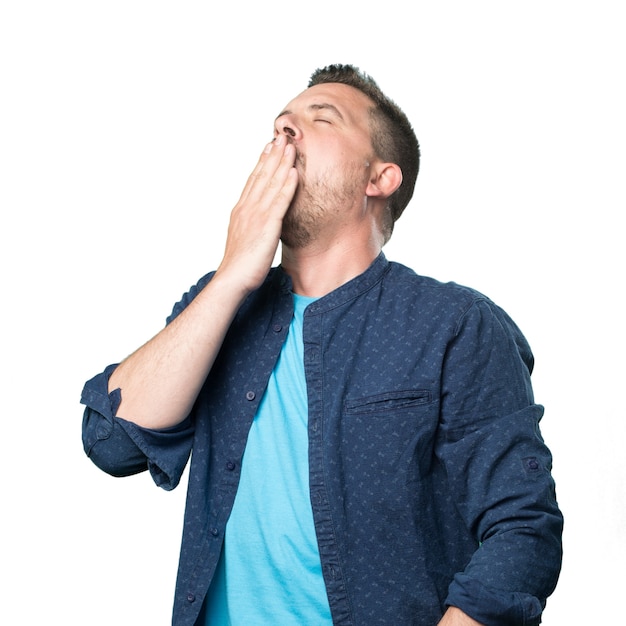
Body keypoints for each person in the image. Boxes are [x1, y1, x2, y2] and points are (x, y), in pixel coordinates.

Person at [81, 64, 563, 626]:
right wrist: (235, 270)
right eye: (281, 123)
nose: (286, 130)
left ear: (380, 178)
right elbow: (112, 441)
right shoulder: (218, 306)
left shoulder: (455, 325)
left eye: (321, 118)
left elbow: (522, 530)